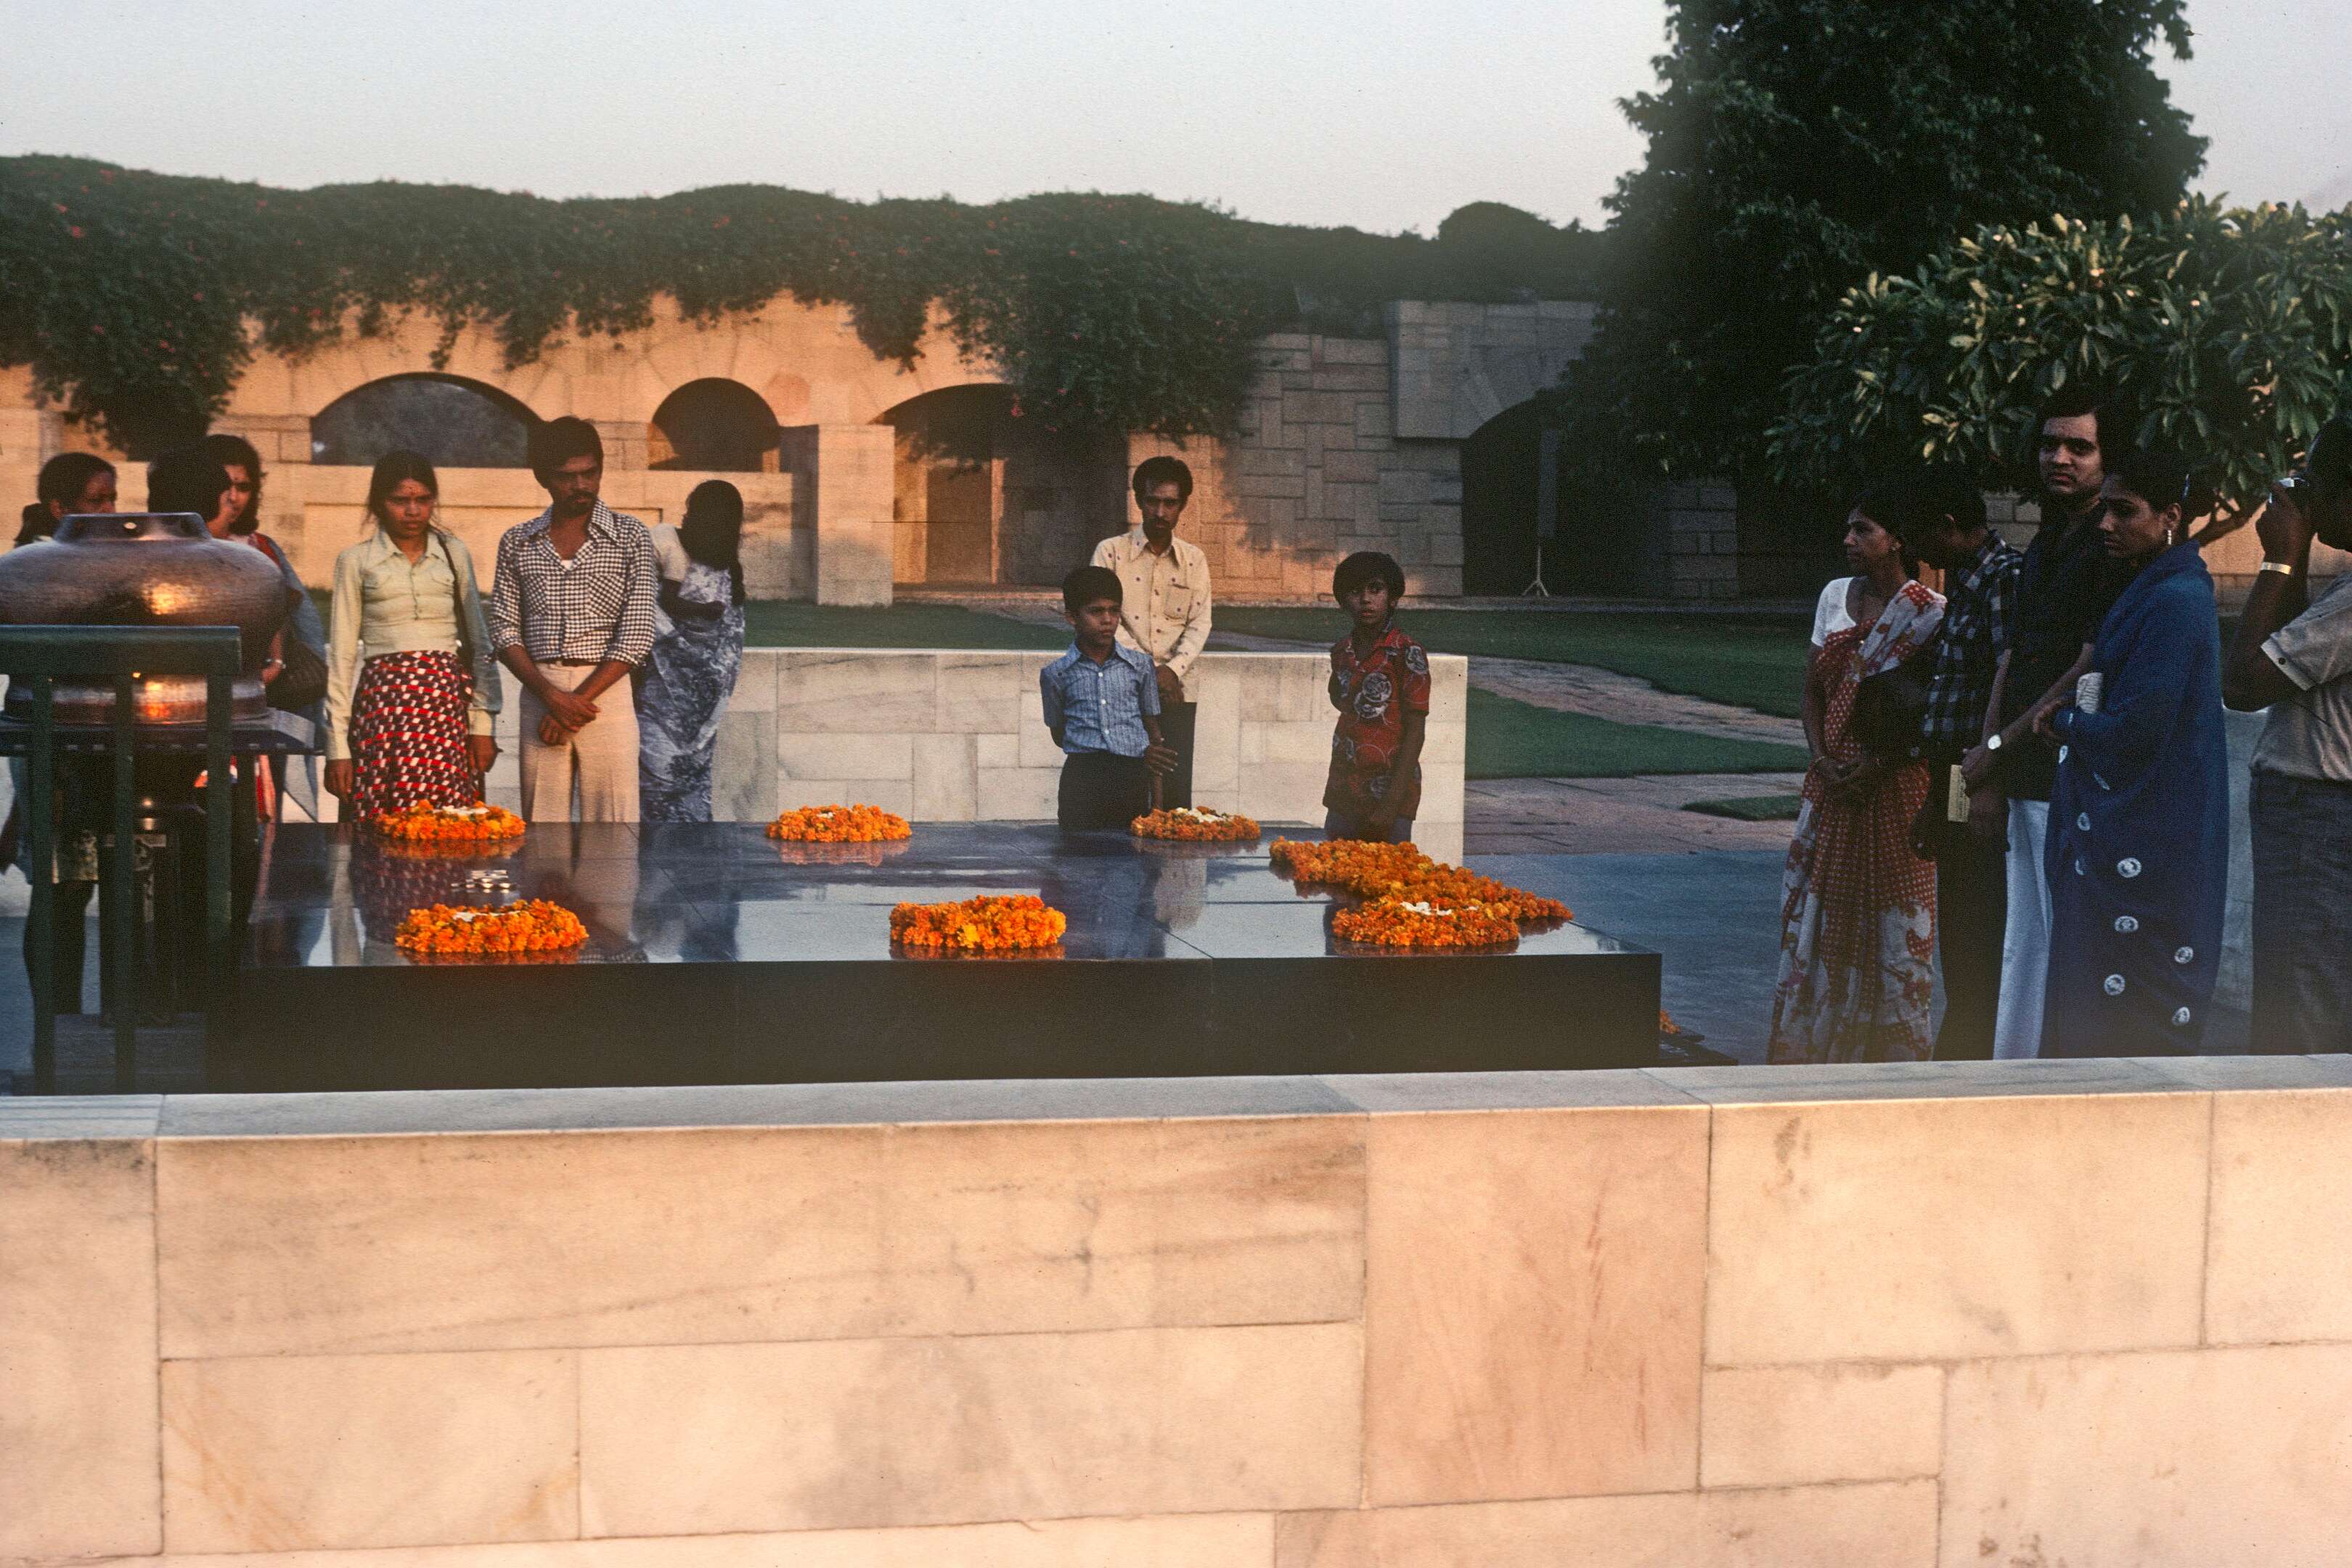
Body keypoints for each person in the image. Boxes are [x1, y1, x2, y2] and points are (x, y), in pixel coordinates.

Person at [2038, 449, 2226, 1055]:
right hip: (2138, 829)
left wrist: (2063, 721)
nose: (2106, 524)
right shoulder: (2154, 586)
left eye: (2124, 511)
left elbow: (2135, 734)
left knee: (2125, 1025)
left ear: (2170, 515)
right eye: (2105, 510)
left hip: (2148, 835)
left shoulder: (2175, 599)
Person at [1961, 385, 2127, 1059]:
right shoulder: (2044, 544)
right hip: (2020, 770)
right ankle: (2014, 1075)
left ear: (2106, 458)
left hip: (2065, 774)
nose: (2060, 458)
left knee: (2061, 939)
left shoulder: (2108, 548)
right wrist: (1988, 756)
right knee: (2023, 940)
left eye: (2079, 447)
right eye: (2050, 444)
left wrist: (1999, 746)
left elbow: (2085, 665)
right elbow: (2013, 655)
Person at [1768, 491, 1945, 1063]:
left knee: (1896, 922)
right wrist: (1822, 758)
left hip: (1894, 787)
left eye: (1862, 530)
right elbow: (1812, 690)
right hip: (1832, 782)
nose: (1848, 540)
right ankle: (1816, 1046)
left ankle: (1889, 1055)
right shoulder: (1834, 597)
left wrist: (1874, 766)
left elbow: (1925, 710)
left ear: (1896, 540)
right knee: (1819, 914)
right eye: (1848, 529)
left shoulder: (1930, 612)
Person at [2223, 412, 2352, 1053]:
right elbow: (2286, 656)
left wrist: (2278, 558)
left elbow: (2245, 685)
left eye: (2318, 482)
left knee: (2300, 1015)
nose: (2307, 495)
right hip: (2320, 814)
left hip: (2319, 817)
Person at [1899, 469, 2024, 1059]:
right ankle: (1963, 1032)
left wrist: (1988, 782)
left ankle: (1973, 1044)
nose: (1915, 551)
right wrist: (1937, 800)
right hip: (1954, 773)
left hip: (1980, 775)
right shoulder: (1967, 580)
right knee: (1956, 908)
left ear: (1948, 527)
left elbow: (2008, 676)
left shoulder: (2003, 578)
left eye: (1918, 536)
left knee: (1978, 917)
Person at [489, 417, 658, 822]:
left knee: (614, 824)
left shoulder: (631, 536)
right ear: (543, 478)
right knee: (542, 826)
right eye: (566, 477)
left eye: (589, 473)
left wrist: (575, 704)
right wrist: (552, 698)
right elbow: (503, 628)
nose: (580, 485)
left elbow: (637, 633)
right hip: (540, 691)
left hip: (606, 693)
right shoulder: (518, 541)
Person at [321, 452, 502, 820]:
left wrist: (482, 725)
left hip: (444, 709)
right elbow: (341, 657)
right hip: (384, 709)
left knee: (447, 822)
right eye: (400, 500)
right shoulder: (356, 561)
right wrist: (337, 747)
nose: (413, 511)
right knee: (383, 821)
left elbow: (480, 643)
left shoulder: (453, 553)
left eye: (423, 499)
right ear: (378, 503)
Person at [7, 452, 117, 1011]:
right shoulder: (38, 568)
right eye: (96, 502)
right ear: (59, 507)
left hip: (80, 740)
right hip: (54, 743)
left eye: (112, 499)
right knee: (60, 889)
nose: (110, 512)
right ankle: (58, 1017)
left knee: (74, 886)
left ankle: (63, 1017)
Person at [200, 433, 328, 810]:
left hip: (266, 698)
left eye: (243, 487)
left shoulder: (263, 547)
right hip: (207, 700)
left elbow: (301, 624)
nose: (234, 498)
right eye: (225, 487)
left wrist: (276, 666)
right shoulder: (186, 546)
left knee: (261, 806)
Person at [1091, 455, 1211, 807]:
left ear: (1183, 505)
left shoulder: (1194, 560)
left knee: (1174, 796)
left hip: (1175, 690)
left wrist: (1172, 671)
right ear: (1139, 501)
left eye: (1170, 503)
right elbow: (1103, 621)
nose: (1160, 512)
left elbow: (1200, 622)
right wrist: (1150, 672)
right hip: (1122, 689)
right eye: (1152, 501)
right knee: (1122, 793)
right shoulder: (1110, 553)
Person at [638, 480, 748, 821]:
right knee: (663, 785)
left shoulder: (725, 568)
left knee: (686, 789)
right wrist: (687, 647)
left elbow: (730, 636)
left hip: (693, 706)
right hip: (664, 700)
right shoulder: (669, 548)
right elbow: (644, 610)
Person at [1040, 565, 1177, 830]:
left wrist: (1158, 808)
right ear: (1072, 617)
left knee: (1132, 851)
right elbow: (1059, 733)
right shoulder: (1056, 674)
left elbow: (1153, 734)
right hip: (1081, 784)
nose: (1107, 620)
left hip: (1131, 781)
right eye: (1096, 611)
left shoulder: (1140, 666)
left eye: (1114, 611)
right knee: (1078, 849)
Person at [1323, 551, 1429, 844]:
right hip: (1344, 792)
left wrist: (1390, 806)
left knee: (1386, 869)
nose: (1366, 600)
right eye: (1355, 592)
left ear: (1392, 598)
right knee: (1333, 866)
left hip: (1389, 794)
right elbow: (1341, 701)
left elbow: (1416, 732)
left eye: (1375, 589)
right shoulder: (1341, 652)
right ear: (1343, 600)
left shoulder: (1407, 652)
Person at [17, 452, 115, 544]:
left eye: (112, 500)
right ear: (59, 509)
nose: (111, 511)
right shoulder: (42, 554)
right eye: (95, 500)